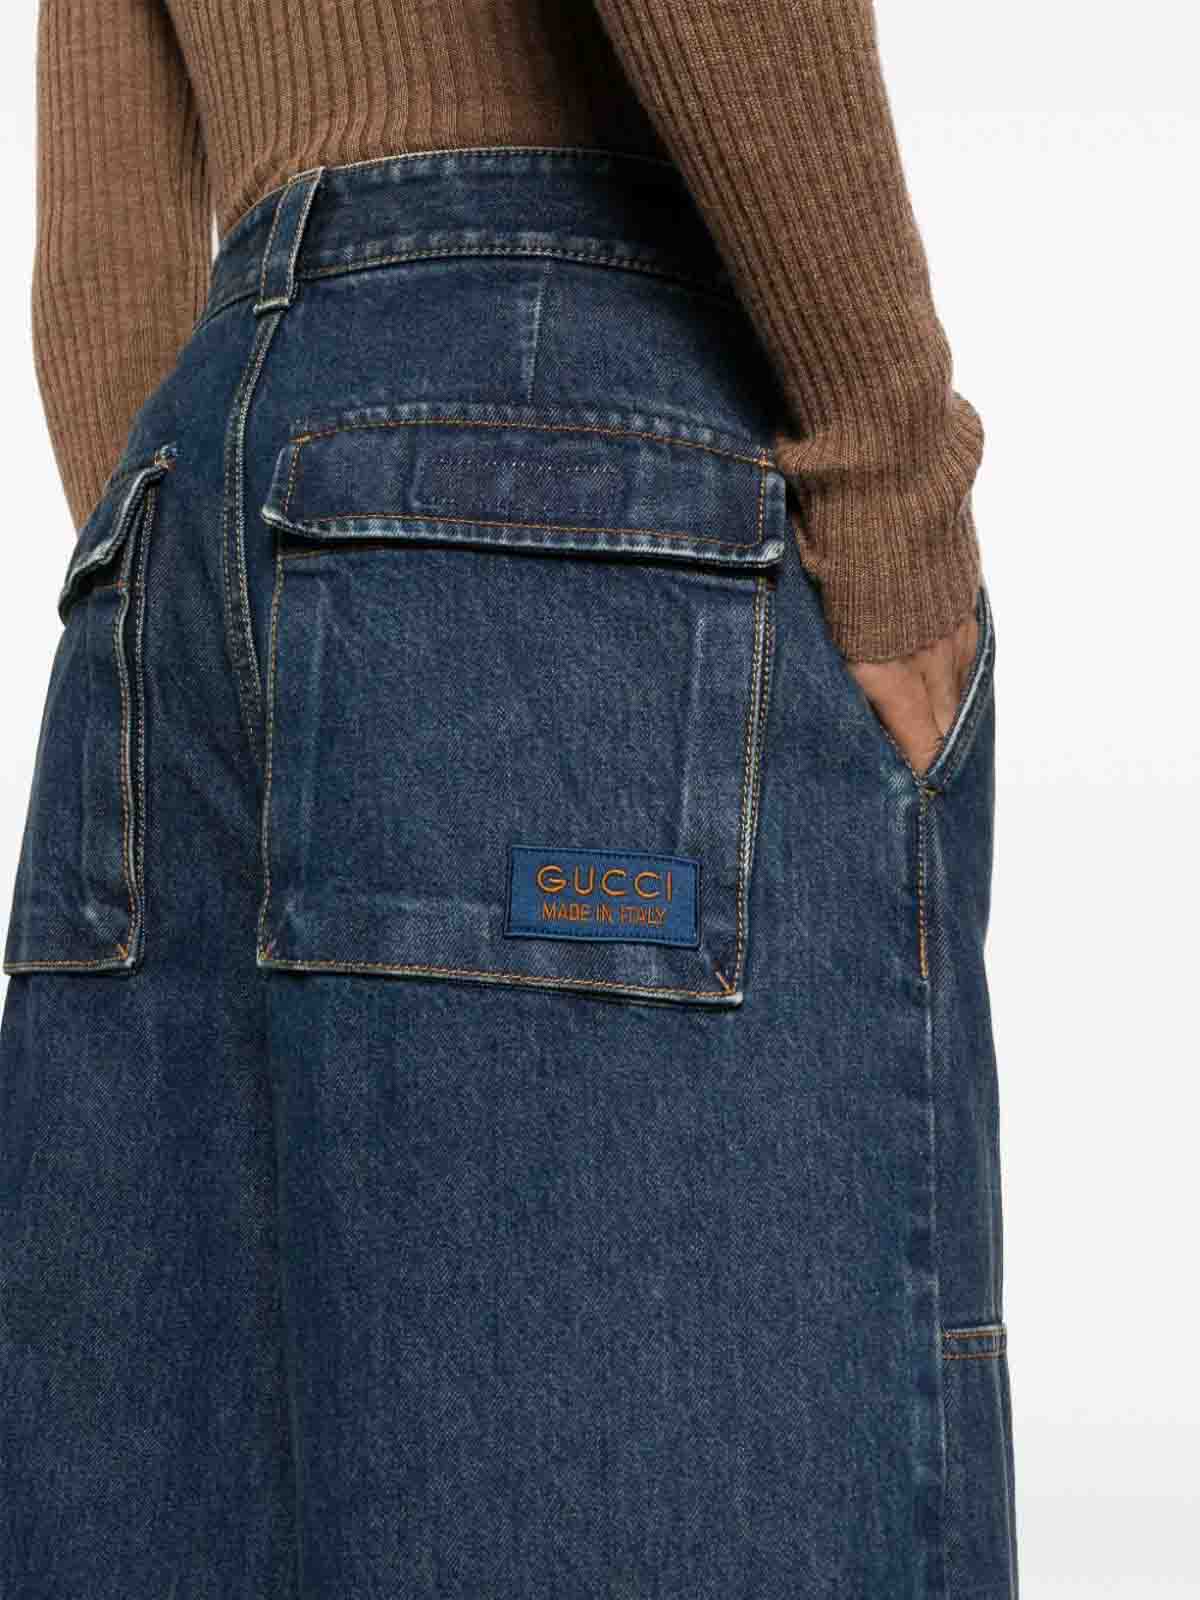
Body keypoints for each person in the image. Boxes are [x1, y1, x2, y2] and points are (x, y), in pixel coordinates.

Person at [1, 2, 1017, 1596]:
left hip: (194, 496)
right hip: (567, 467)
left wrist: (207, 574)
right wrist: (893, 476)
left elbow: (104, 212)